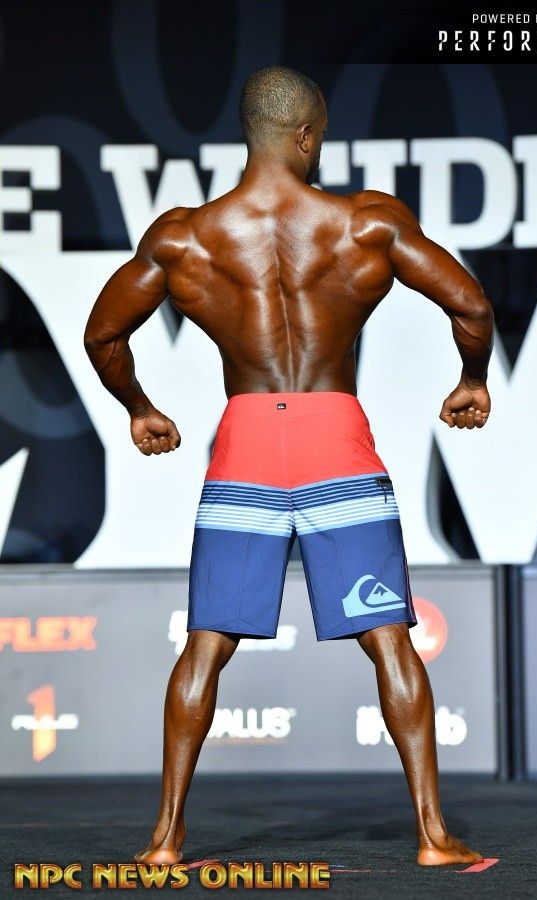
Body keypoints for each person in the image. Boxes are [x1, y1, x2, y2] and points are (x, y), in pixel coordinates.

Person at [84, 66, 494, 867]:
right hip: (333, 434)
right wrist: (472, 380)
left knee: (206, 643)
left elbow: (103, 334)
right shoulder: (366, 224)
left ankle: (165, 839)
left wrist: (139, 406)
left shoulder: (185, 237)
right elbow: (472, 305)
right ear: (306, 134)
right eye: (323, 134)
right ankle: (432, 835)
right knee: (388, 638)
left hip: (245, 440)